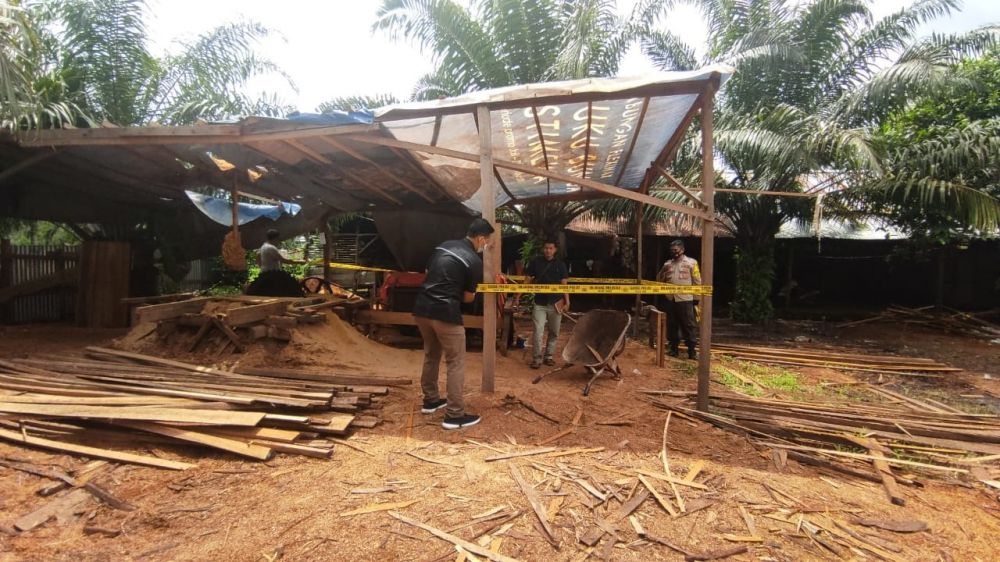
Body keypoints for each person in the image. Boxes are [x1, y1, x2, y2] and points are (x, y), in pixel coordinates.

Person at [412, 218, 495, 430]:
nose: (486, 245)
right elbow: (468, 298)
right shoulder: (474, 262)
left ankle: (430, 401)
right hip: (446, 313)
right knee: (455, 362)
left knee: (431, 354)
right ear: (480, 238)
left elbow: (428, 275)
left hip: (421, 309)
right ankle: (454, 415)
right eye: (487, 241)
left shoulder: (444, 246)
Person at [524, 240, 569, 369]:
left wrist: (567, 301)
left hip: (556, 303)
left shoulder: (560, 265)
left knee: (554, 332)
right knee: (538, 331)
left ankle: (549, 356)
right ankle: (537, 359)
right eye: (546, 248)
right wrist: (517, 295)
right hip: (540, 303)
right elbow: (527, 280)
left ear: (555, 250)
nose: (548, 250)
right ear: (543, 249)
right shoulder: (536, 262)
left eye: (550, 248)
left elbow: (564, 284)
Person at [656, 240, 701, 359]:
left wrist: (696, 298)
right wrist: (663, 272)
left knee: (688, 325)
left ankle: (692, 351)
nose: (674, 252)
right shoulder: (667, 264)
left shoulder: (692, 263)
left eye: (676, 250)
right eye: (672, 250)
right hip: (670, 299)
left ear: (682, 250)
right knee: (672, 325)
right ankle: (673, 349)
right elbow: (659, 280)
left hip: (685, 299)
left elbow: (697, 281)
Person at [246, 229, 306, 297]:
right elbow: (283, 260)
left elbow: (257, 257)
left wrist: (261, 266)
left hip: (264, 273)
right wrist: (300, 262)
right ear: (276, 238)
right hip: (274, 275)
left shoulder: (263, 246)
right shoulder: (271, 248)